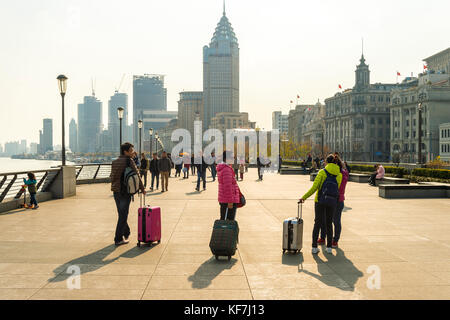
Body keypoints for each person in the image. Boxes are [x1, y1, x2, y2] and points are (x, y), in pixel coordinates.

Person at [299, 154, 342, 254]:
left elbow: (314, 188)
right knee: (329, 223)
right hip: (332, 202)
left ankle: (314, 247)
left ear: (327, 162)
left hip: (320, 201)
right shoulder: (339, 175)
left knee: (317, 223)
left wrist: (304, 197)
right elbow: (337, 189)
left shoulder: (322, 172)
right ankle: (329, 247)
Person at [110, 142, 145, 246]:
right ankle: (118, 239)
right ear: (125, 152)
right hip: (125, 192)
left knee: (121, 213)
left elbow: (112, 177)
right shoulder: (129, 161)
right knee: (123, 215)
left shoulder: (115, 161)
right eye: (131, 150)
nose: (133, 152)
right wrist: (142, 188)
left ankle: (126, 232)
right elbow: (137, 175)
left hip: (116, 191)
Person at [217, 151, 240, 220]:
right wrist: (230, 201)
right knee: (228, 222)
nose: (234, 159)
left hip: (224, 198)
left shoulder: (224, 168)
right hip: (228, 200)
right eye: (232, 157)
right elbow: (228, 187)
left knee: (224, 220)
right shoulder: (226, 170)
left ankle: (222, 231)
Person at [332, 156, 349, 248]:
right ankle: (335, 240)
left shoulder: (335, 174)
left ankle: (329, 238)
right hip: (341, 199)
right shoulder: (345, 173)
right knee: (337, 221)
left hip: (332, 198)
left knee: (329, 220)